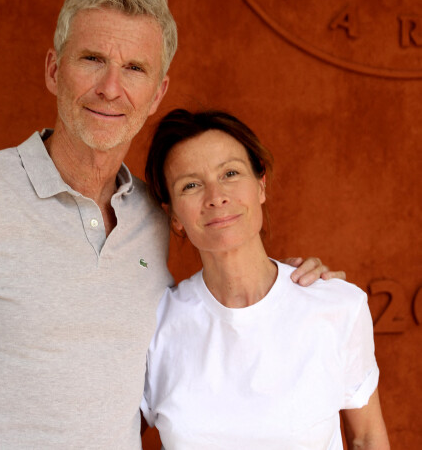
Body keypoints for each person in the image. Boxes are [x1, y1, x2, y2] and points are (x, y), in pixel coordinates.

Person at [0, 0, 341, 450]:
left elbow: (208, 325)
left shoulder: (153, 213)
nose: (109, 87)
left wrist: (289, 291)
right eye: (91, 59)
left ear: (156, 94)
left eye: (134, 69)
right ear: (54, 71)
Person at [142, 108, 390, 450]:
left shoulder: (337, 306)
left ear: (261, 186)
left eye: (230, 173)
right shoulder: (153, 325)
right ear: (173, 216)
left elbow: (367, 439)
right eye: (191, 185)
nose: (216, 196)